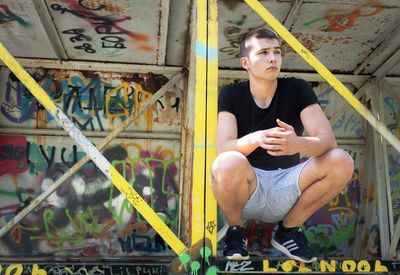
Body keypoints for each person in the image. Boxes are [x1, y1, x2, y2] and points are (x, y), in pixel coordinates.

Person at [210, 27, 354, 263]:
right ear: (245, 62)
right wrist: (256, 139)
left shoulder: (298, 88)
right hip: (247, 190)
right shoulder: (231, 93)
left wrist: (298, 144)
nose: (273, 58)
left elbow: (328, 140)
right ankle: (236, 231)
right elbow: (223, 148)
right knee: (227, 161)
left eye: (277, 52)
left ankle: (289, 232)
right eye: (264, 52)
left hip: (288, 185)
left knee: (341, 160)